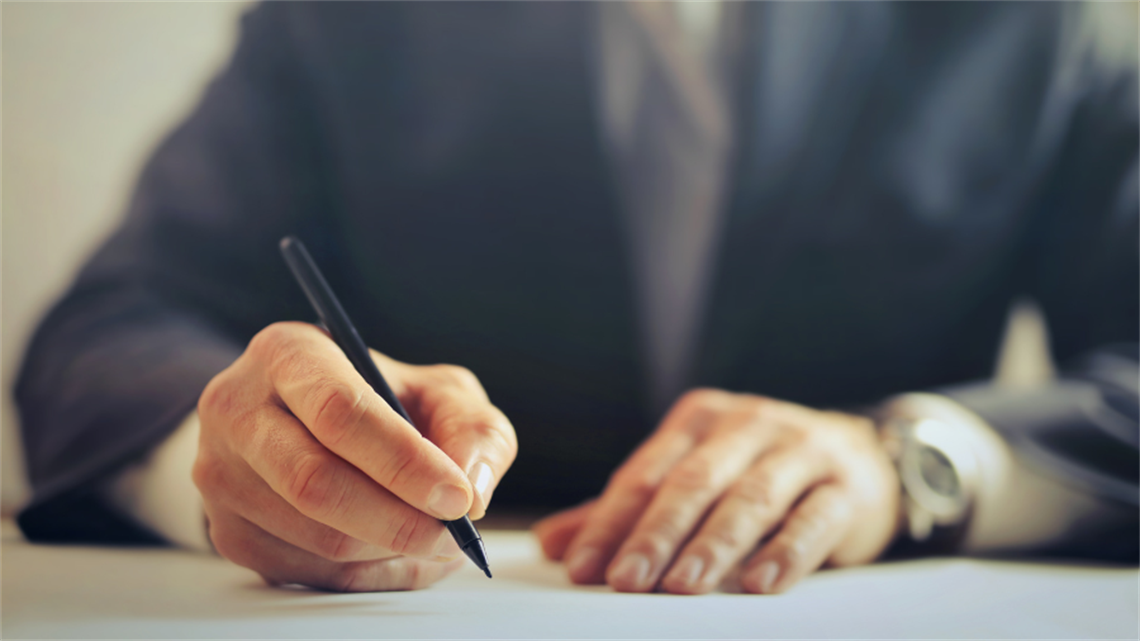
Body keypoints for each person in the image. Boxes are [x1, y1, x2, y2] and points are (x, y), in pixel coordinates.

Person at [15, 1, 1140, 594]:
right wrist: (252, 464)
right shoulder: (349, 16)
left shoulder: (1028, 20)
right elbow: (109, 332)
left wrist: (909, 465)